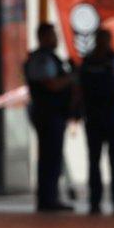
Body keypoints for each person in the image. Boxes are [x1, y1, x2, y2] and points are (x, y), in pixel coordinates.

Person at [79, 29, 114, 215]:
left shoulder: (92, 62)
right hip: (106, 117)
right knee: (107, 162)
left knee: (102, 162)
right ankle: (113, 203)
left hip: (102, 117)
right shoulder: (112, 61)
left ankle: (103, 203)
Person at [24, 23, 76, 212]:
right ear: (43, 37)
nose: (56, 39)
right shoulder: (41, 59)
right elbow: (51, 84)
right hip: (47, 114)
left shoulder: (50, 58)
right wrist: (70, 78)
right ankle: (47, 200)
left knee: (53, 157)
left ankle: (51, 197)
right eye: (53, 35)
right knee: (49, 157)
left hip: (53, 114)